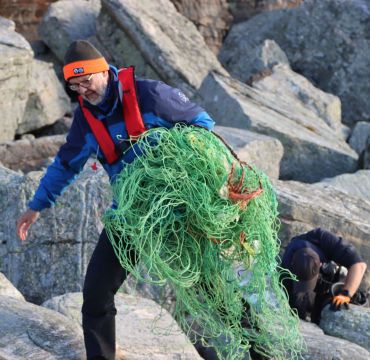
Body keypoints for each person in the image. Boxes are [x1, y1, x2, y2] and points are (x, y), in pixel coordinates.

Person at [16, 40, 215, 360]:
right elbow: (65, 165)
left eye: (87, 80)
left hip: (176, 209)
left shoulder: (151, 94)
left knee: (213, 290)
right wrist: (36, 206)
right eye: (75, 84)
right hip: (130, 213)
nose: (83, 90)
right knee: (95, 293)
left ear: (104, 72)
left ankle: (261, 351)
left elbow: (204, 128)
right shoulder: (85, 121)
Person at [281, 227, 367, 323]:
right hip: (295, 283)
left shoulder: (326, 240)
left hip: (329, 280)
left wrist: (346, 294)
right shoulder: (286, 265)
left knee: (340, 275)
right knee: (296, 307)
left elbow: (359, 265)